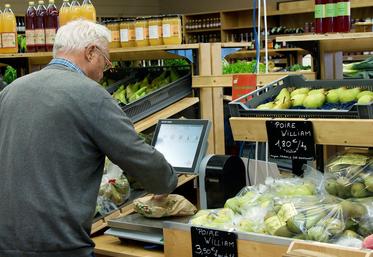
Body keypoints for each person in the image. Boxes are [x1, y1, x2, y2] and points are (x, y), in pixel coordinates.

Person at [0, 20, 177, 257]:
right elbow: (135, 153)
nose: (105, 70)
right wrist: (165, 181)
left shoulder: (11, 91)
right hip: (59, 245)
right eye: (106, 60)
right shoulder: (91, 95)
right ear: (91, 52)